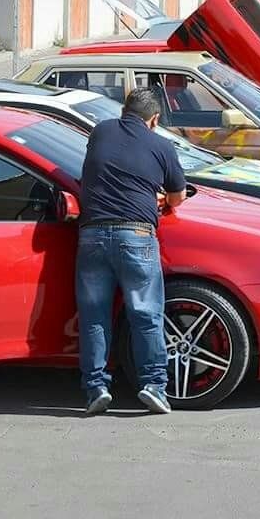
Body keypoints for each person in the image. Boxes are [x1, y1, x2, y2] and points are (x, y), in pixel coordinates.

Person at [75, 87, 187, 415]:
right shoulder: (161, 145)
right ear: (153, 120)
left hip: (92, 235)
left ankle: (96, 388)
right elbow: (177, 195)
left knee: (94, 316)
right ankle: (154, 386)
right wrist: (163, 199)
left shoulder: (100, 131)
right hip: (137, 234)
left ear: (124, 110)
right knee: (146, 314)